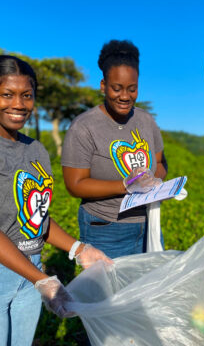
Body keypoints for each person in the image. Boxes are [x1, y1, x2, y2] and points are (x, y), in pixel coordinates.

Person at [0, 55, 111, 346]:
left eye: (27, 95)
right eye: (6, 94)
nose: (19, 104)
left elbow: (36, 218)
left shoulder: (35, 150)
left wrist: (79, 249)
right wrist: (42, 279)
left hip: (28, 272)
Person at [61, 40, 167, 259]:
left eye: (132, 89)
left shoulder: (146, 121)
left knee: (149, 289)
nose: (125, 96)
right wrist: (126, 185)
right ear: (103, 86)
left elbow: (160, 163)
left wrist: (155, 180)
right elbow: (75, 185)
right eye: (116, 88)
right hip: (106, 228)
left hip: (147, 223)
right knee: (108, 292)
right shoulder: (84, 126)